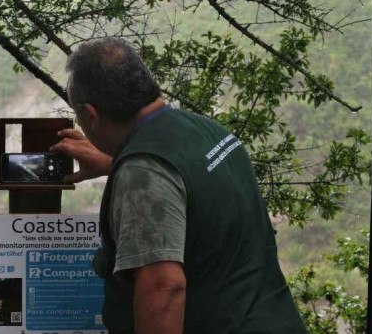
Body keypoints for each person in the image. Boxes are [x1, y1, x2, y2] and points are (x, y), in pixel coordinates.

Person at [50, 38, 307, 334]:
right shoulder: (206, 131)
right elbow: (193, 193)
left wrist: (133, 171)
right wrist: (114, 165)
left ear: (91, 115)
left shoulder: (144, 171)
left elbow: (164, 288)